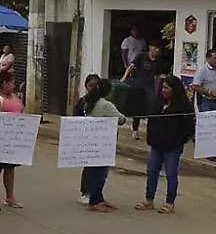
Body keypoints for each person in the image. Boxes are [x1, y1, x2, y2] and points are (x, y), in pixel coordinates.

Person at [136, 75, 195, 213]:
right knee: (151, 172)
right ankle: (149, 200)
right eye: (162, 87)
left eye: (167, 88)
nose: (163, 90)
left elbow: (189, 127)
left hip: (172, 146)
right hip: (156, 144)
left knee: (170, 173)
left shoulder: (183, 106)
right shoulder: (158, 102)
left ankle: (170, 202)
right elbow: (151, 120)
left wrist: (179, 140)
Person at [84, 79, 128, 213]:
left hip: (91, 141)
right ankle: (95, 202)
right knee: (100, 172)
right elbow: (121, 119)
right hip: (103, 143)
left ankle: (98, 198)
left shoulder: (90, 102)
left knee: (93, 171)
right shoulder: (106, 105)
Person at [0, 71, 25, 208]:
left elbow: (21, 110)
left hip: (13, 137)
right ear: (3, 83)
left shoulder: (14, 96)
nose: (13, 86)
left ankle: (10, 196)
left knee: (10, 168)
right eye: (12, 83)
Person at [121, 42, 166, 139]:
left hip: (149, 86)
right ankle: (135, 130)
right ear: (150, 47)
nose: (157, 50)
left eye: (158, 49)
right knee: (137, 108)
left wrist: (157, 90)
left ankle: (150, 131)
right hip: (138, 85)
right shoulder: (142, 56)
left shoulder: (158, 62)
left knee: (151, 108)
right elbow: (131, 66)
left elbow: (157, 77)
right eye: (155, 47)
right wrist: (124, 77)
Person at [75, 74, 100, 205]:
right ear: (86, 86)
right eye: (90, 86)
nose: (92, 89)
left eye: (95, 86)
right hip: (86, 138)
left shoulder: (101, 103)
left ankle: (96, 192)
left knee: (98, 168)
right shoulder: (82, 102)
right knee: (88, 166)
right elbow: (75, 119)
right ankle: (85, 192)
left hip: (99, 139)